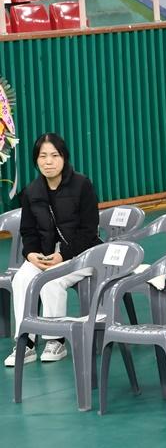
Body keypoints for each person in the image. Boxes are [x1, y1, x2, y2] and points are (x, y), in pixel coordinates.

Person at [5, 134, 100, 368]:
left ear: (64, 158)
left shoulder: (82, 184)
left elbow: (88, 232)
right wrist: (31, 254)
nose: (48, 161)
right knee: (21, 279)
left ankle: (55, 339)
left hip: (83, 253)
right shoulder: (31, 192)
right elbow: (29, 231)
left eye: (54, 156)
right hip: (46, 255)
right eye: (42, 156)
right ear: (36, 160)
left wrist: (62, 256)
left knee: (50, 282)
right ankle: (25, 341)